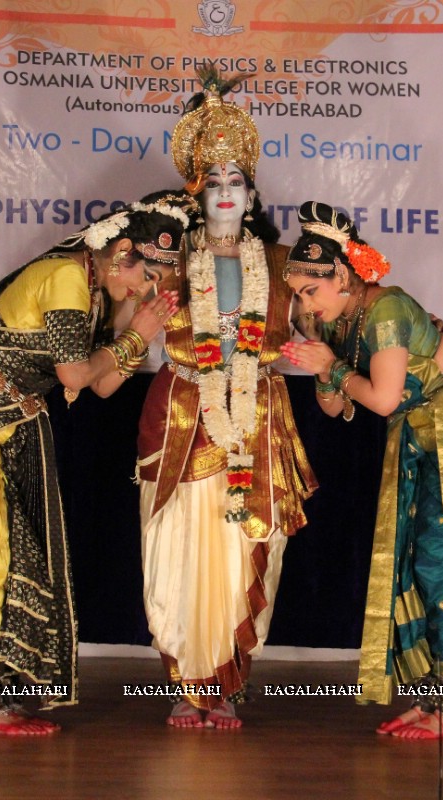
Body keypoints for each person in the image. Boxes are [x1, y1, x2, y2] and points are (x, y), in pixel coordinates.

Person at [0, 194, 192, 734]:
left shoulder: (94, 291)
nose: (147, 290)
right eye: (147, 276)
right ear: (121, 251)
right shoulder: (66, 277)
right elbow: (74, 374)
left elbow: (103, 384)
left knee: (12, 552)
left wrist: (142, 333)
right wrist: (135, 334)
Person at [280, 202, 443, 740]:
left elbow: (384, 400)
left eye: (309, 290)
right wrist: (326, 365)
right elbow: (334, 407)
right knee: (416, 563)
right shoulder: (341, 318)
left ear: (341, 275)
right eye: (297, 292)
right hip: (424, 432)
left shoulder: (384, 311)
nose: (304, 301)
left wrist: (333, 368)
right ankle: (436, 696)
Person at [136, 69, 318, 729]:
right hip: (183, 414)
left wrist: (334, 372)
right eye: (211, 183)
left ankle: (228, 684)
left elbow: (318, 328)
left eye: (234, 182)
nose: (223, 194)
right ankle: (189, 685)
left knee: (242, 548)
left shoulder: (284, 263)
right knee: (180, 550)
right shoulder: (169, 260)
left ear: (252, 193)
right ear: (195, 194)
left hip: (260, 418)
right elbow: (132, 326)